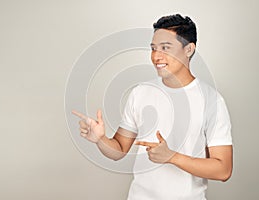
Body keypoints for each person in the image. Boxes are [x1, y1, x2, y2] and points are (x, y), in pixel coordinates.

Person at [72, 14, 233, 200]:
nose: (156, 56)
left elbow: (223, 170)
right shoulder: (140, 93)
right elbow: (118, 150)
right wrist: (99, 139)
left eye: (165, 48)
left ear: (189, 49)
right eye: (153, 48)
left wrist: (171, 156)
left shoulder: (212, 100)